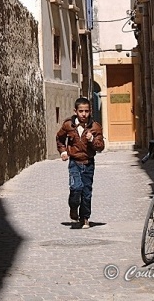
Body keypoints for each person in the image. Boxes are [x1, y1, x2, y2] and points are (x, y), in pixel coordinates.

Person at [56, 97, 104, 228]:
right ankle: (73, 207)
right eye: (81, 111)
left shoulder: (95, 127)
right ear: (75, 111)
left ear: (90, 111)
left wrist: (92, 139)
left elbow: (100, 146)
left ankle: (85, 218)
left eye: (86, 111)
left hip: (88, 163)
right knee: (76, 188)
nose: (84, 114)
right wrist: (63, 151)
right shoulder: (68, 125)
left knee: (86, 192)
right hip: (74, 162)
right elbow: (59, 138)